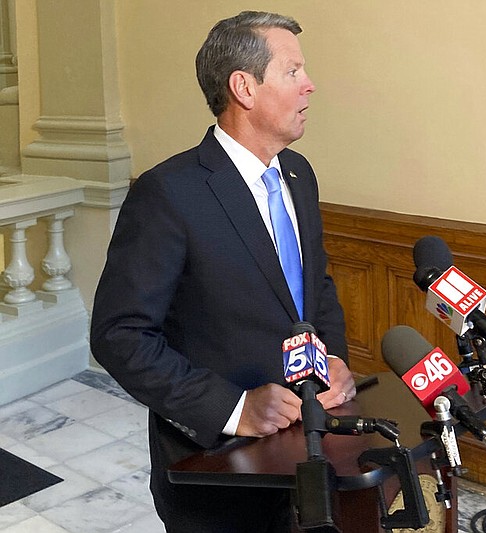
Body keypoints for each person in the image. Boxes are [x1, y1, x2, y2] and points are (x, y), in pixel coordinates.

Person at [90, 11, 355, 532]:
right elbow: (119, 336)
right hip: (215, 465)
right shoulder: (168, 192)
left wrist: (337, 365)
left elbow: (315, 289)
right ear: (244, 87)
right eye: (293, 71)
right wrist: (234, 408)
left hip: (308, 447)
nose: (310, 85)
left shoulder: (299, 175)